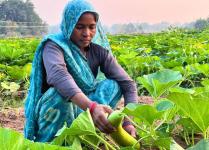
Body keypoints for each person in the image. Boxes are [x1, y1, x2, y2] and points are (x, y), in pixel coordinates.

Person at [24, 0, 138, 142]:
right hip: (56, 109)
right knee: (58, 94)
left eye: (92, 27)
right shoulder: (54, 46)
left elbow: (128, 84)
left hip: (85, 109)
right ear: (69, 24)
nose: (87, 33)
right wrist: (91, 107)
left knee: (113, 85)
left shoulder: (99, 51)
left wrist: (128, 122)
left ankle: (89, 131)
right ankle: (53, 140)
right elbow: (59, 76)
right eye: (79, 27)